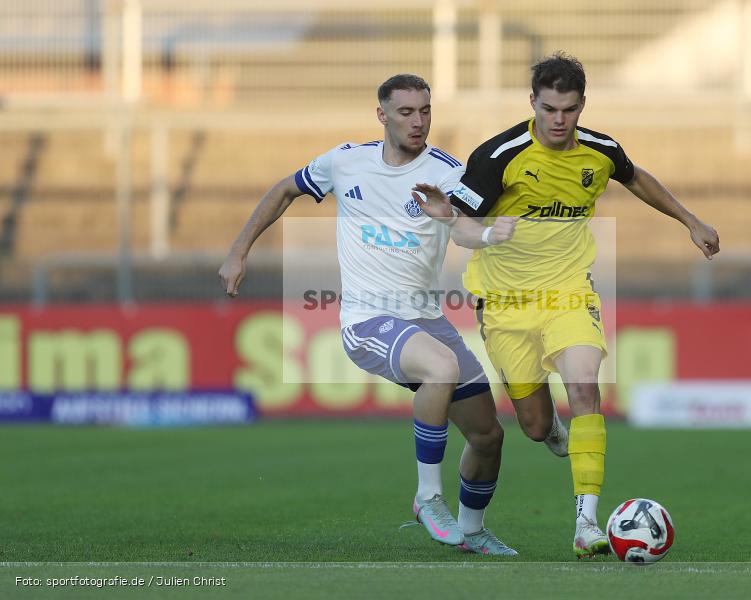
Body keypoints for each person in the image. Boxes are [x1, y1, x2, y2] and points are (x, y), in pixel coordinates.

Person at [415, 53, 720, 558]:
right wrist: (490, 232)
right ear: (533, 102)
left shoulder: (599, 151)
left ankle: (586, 523)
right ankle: (553, 430)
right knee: (534, 427)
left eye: (570, 109)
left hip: (569, 293)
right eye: (550, 108)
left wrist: (690, 220)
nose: (559, 120)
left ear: (583, 106)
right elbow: (458, 225)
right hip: (506, 303)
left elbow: (634, 175)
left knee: (584, 386)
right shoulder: (498, 156)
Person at [218, 74, 519, 556]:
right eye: (405, 112)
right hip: (366, 321)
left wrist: (476, 230)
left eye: (424, 111)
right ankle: (427, 497)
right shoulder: (345, 162)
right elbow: (283, 190)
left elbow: (464, 231)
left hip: (427, 320)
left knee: (487, 435)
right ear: (382, 115)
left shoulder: (447, 172)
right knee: (439, 368)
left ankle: (473, 531)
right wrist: (238, 251)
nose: (417, 121)